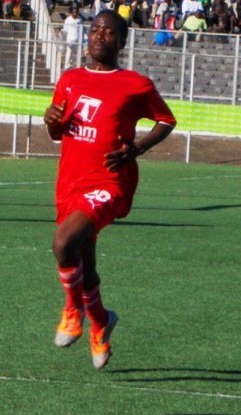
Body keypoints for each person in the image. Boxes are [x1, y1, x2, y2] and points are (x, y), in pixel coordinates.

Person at [43, 9, 176, 370]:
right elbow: (59, 133)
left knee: (62, 242)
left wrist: (137, 148)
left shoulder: (135, 84)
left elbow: (166, 120)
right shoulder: (69, 80)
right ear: (87, 37)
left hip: (110, 181)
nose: (101, 35)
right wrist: (50, 122)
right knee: (85, 263)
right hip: (70, 181)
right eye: (95, 29)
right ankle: (100, 321)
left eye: (110, 31)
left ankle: (74, 311)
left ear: (121, 41)